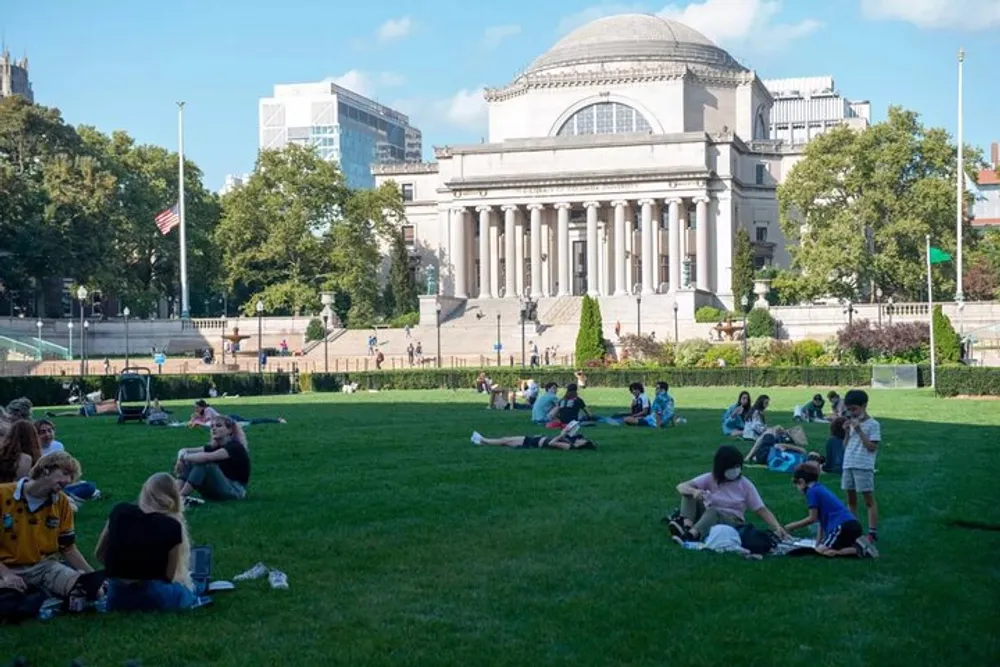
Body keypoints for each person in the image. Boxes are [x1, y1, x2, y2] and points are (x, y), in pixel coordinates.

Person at [0, 453, 105, 607]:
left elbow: (67, 547)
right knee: (7, 598)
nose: (68, 481)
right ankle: (36, 596)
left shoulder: (61, 502)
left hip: (44, 567)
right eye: (65, 473)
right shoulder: (3, 494)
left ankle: (39, 596)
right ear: (46, 470)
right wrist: (6, 574)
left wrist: (92, 577)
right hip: (5, 566)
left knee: (94, 591)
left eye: (71, 477)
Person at [95, 472, 208, 610]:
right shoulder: (171, 526)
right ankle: (201, 583)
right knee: (189, 588)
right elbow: (168, 576)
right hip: (154, 595)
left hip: (116, 596)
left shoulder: (119, 512)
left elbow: (100, 554)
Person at [667, 445, 790, 543]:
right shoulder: (711, 478)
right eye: (732, 467)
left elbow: (760, 509)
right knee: (688, 493)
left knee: (712, 512)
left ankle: (690, 536)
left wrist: (776, 526)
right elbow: (681, 486)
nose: (735, 470)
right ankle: (686, 526)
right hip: (709, 514)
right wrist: (694, 492)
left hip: (732, 520)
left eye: (738, 466)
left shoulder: (745, 484)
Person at [785, 463, 879, 558]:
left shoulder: (811, 492)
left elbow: (812, 518)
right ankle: (856, 546)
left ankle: (858, 550)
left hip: (841, 527)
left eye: (796, 484)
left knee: (821, 552)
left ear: (802, 481)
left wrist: (791, 526)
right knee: (819, 549)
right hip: (851, 525)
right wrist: (818, 543)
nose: (797, 488)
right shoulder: (819, 488)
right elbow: (821, 521)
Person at [174, 416, 250, 502]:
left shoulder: (235, 447)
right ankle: (173, 496)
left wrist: (183, 458)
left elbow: (207, 457)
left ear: (230, 430)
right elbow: (184, 450)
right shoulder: (215, 446)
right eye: (212, 426)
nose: (214, 429)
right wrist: (181, 459)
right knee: (191, 461)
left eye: (218, 426)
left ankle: (180, 498)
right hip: (219, 488)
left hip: (236, 491)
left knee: (205, 464)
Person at [841, 389, 880, 543]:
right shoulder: (852, 423)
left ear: (864, 406)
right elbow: (845, 446)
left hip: (863, 466)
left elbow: (872, 447)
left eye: (854, 409)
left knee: (868, 500)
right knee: (850, 500)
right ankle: (854, 529)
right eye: (849, 410)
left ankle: (872, 532)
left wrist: (859, 430)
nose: (852, 413)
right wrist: (846, 432)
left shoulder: (873, 425)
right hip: (848, 463)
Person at [470, 421, 596, 450]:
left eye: (582, 442)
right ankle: (482, 441)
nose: (580, 440)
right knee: (505, 440)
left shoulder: (569, 447)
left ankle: (482, 439)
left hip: (533, 443)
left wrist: (561, 434)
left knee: (505, 440)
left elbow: (552, 443)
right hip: (536, 439)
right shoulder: (571, 442)